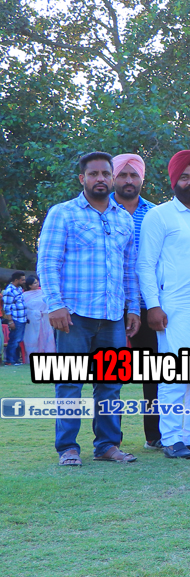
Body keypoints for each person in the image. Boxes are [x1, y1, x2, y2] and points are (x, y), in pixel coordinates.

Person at [37, 151, 140, 466]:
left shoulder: (123, 218)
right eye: (93, 174)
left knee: (111, 384)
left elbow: (129, 269)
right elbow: (48, 262)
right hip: (74, 316)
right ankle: (68, 448)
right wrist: (55, 305)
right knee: (70, 383)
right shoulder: (63, 213)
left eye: (105, 174)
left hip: (113, 316)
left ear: (112, 178)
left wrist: (133, 307)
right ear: (82, 178)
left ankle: (107, 445)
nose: (100, 179)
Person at [136, 149, 190, 459]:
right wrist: (153, 305)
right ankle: (172, 438)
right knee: (175, 376)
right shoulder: (159, 215)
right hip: (174, 307)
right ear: (174, 181)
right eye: (185, 177)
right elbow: (145, 264)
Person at [110, 153, 161, 448]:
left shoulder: (155, 214)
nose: (129, 180)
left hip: (147, 304)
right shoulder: (101, 209)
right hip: (109, 306)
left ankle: (155, 435)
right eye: (123, 174)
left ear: (142, 179)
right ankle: (110, 440)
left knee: (153, 374)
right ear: (113, 177)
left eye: (134, 175)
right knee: (110, 375)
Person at [21, 276, 54, 355]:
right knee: (33, 337)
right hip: (32, 320)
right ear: (29, 285)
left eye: (37, 282)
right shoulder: (24, 295)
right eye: (34, 283)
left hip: (45, 318)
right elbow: (25, 307)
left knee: (47, 336)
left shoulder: (43, 292)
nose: (37, 284)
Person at [2, 270, 25, 365]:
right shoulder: (9, 291)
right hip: (15, 319)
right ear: (16, 280)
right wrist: (10, 321)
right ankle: (10, 360)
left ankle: (16, 359)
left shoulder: (19, 289)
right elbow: (7, 308)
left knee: (18, 340)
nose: (24, 281)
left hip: (22, 318)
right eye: (22, 280)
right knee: (14, 340)